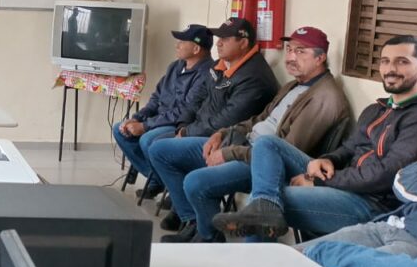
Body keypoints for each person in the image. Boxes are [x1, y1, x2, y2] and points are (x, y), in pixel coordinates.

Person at [213, 35, 417, 240]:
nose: (391, 69)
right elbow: (349, 148)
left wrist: (320, 182)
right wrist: (327, 160)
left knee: (273, 199)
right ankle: (265, 209)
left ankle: (261, 229)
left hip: (373, 204)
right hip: (344, 184)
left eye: (402, 62)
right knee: (268, 145)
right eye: (385, 61)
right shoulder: (378, 108)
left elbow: (385, 175)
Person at [153, 26, 349, 243]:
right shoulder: (294, 85)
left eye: (301, 51)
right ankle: (194, 224)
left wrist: (229, 153)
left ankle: (208, 238)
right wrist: (223, 133)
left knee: (196, 182)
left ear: (320, 58)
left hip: (263, 163)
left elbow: (284, 150)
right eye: (289, 49)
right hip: (243, 143)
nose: (291, 57)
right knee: (161, 149)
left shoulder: (324, 97)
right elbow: (259, 120)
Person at [146, 17, 279, 231]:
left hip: (227, 140)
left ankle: (189, 217)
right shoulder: (220, 65)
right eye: (219, 38)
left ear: (243, 43)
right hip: (203, 131)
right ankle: (185, 211)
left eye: (225, 39)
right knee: (157, 143)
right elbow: (195, 101)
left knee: (160, 149)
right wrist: (183, 127)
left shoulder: (254, 77)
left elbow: (227, 119)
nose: (219, 42)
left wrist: (188, 132)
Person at [113, 24, 213, 198]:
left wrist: (145, 126)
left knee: (147, 140)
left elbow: (185, 112)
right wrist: (136, 118)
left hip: (180, 125)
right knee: (120, 129)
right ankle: (159, 179)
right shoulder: (175, 66)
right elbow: (156, 98)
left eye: (182, 42)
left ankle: (165, 183)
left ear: (196, 48)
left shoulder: (206, 73)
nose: (177, 45)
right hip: (159, 120)